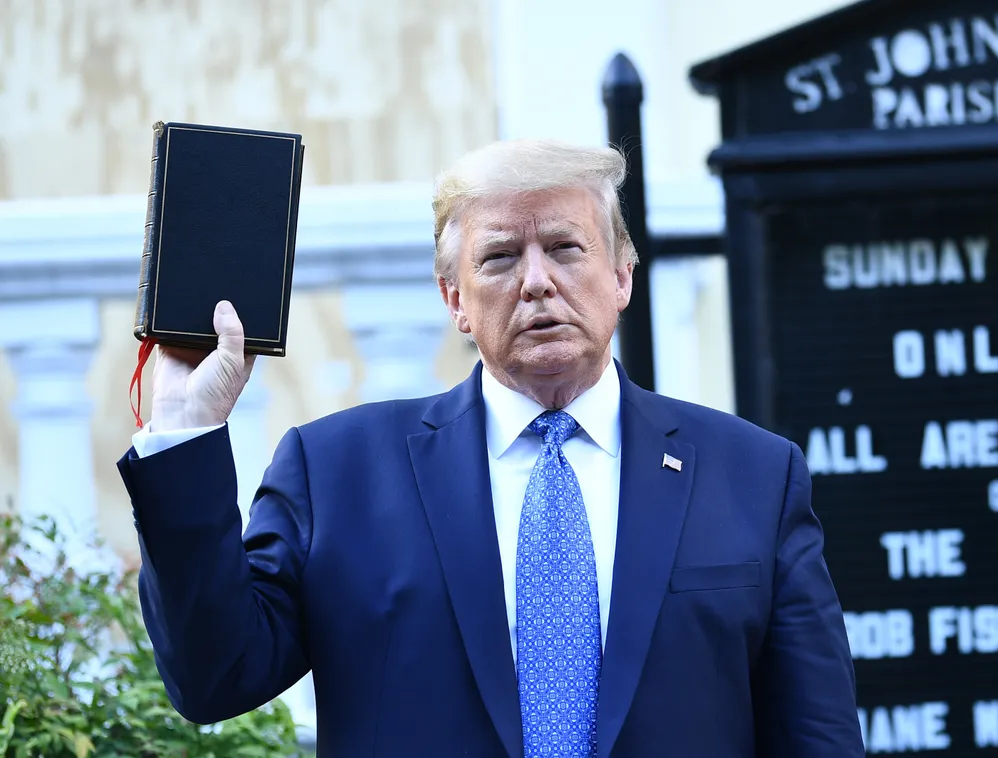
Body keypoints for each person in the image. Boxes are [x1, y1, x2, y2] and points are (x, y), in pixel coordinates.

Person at [116, 138, 863, 757]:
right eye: (500, 257)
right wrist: (187, 427)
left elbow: (817, 736)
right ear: (453, 300)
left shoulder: (753, 476)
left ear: (621, 276)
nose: (536, 282)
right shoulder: (337, 471)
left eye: (565, 248)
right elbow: (213, 676)